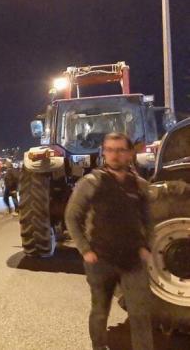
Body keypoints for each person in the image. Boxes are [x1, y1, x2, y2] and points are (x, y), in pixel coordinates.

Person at [64, 132, 153, 350]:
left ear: (130, 153)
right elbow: (72, 217)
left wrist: (146, 247)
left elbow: (148, 219)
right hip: (100, 259)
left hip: (132, 260)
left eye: (120, 150)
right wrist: (85, 250)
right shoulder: (91, 182)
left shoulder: (140, 185)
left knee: (141, 314)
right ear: (104, 152)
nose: (115, 155)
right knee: (100, 311)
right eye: (110, 150)